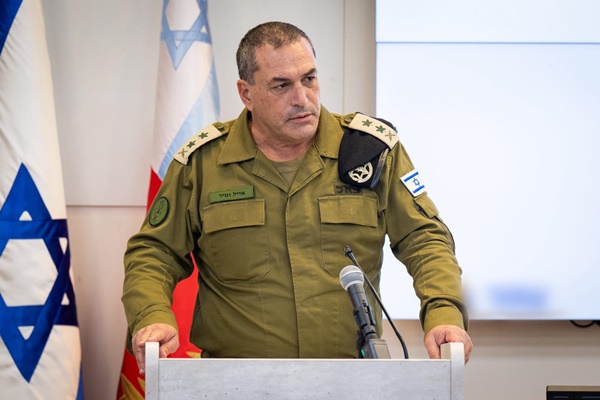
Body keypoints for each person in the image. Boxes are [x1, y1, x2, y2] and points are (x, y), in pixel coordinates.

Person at [122, 21, 473, 374]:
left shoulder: (371, 151)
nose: (302, 98)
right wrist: (152, 315)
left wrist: (444, 312)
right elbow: (154, 252)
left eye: (309, 79)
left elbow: (424, 238)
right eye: (282, 85)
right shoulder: (203, 164)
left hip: (350, 380)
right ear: (246, 93)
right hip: (235, 382)